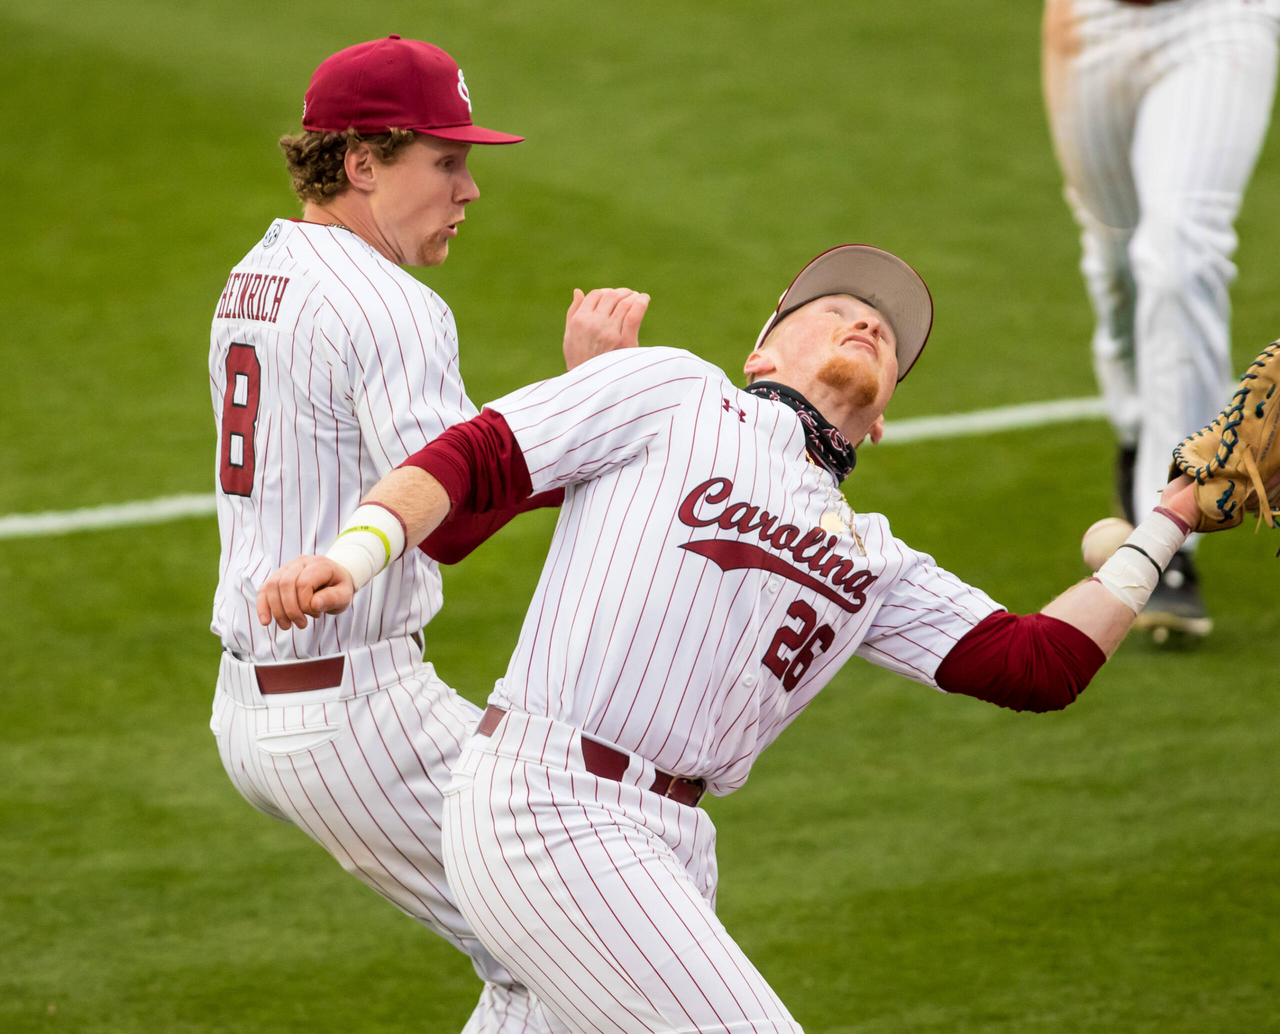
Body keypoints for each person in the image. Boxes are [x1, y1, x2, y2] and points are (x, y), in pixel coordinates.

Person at [256, 245, 1206, 1033]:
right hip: (549, 808)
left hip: (669, 846)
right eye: (836, 307)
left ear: (881, 422)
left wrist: (1168, 521)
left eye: (890, 338)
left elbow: (1038, 665)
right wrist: (358, 551)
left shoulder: (875, 562)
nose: (867, 323)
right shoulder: (676, 390)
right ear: (762, 353)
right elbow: (478, 455)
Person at [209, 34, 647, 1032]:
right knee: (598, 940)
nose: (468, 189)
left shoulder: (256, 273)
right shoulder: (392, 304)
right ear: (361, 163)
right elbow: (451, 513)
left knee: (564, 950)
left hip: (271, 699)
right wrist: (591, 395)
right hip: (354, 712)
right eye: (444, 162)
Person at [1041, 0, 1280, 636]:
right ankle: (1136, 425)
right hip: (1091, 23)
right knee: (1116, 262)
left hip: (1221, 18)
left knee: (1179, 257)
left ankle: (1166, 530)